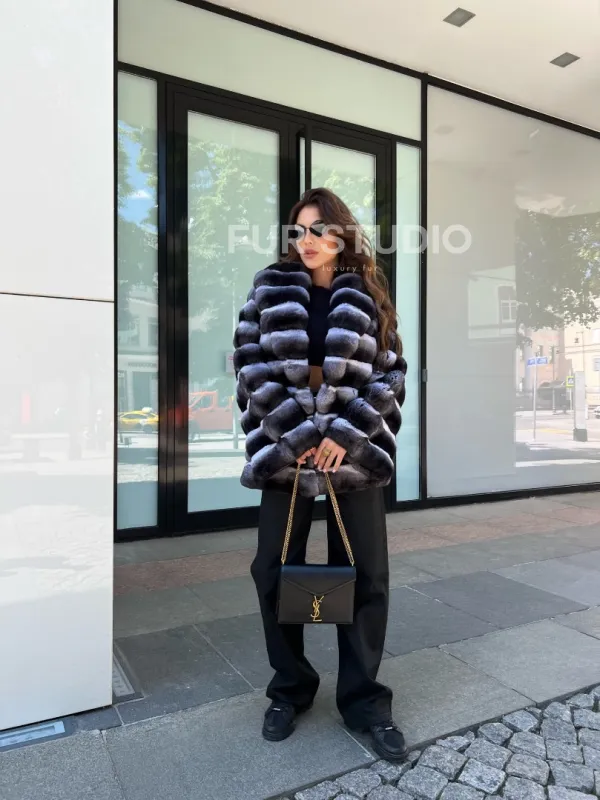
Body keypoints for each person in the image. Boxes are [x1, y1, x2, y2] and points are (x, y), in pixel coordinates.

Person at [233, 187, 407, 761]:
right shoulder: (268, 287)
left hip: (350, 456)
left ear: (341, 234)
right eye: (298, 230)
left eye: (318, 229)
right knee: (271, 570)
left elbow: (390, 372)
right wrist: (302, 436)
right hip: (286, 453)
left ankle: (364, 701)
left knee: (367, 575)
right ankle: (290, 689)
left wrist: (343, 436)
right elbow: (250, 363)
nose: (306, 240)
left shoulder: (367, 293)